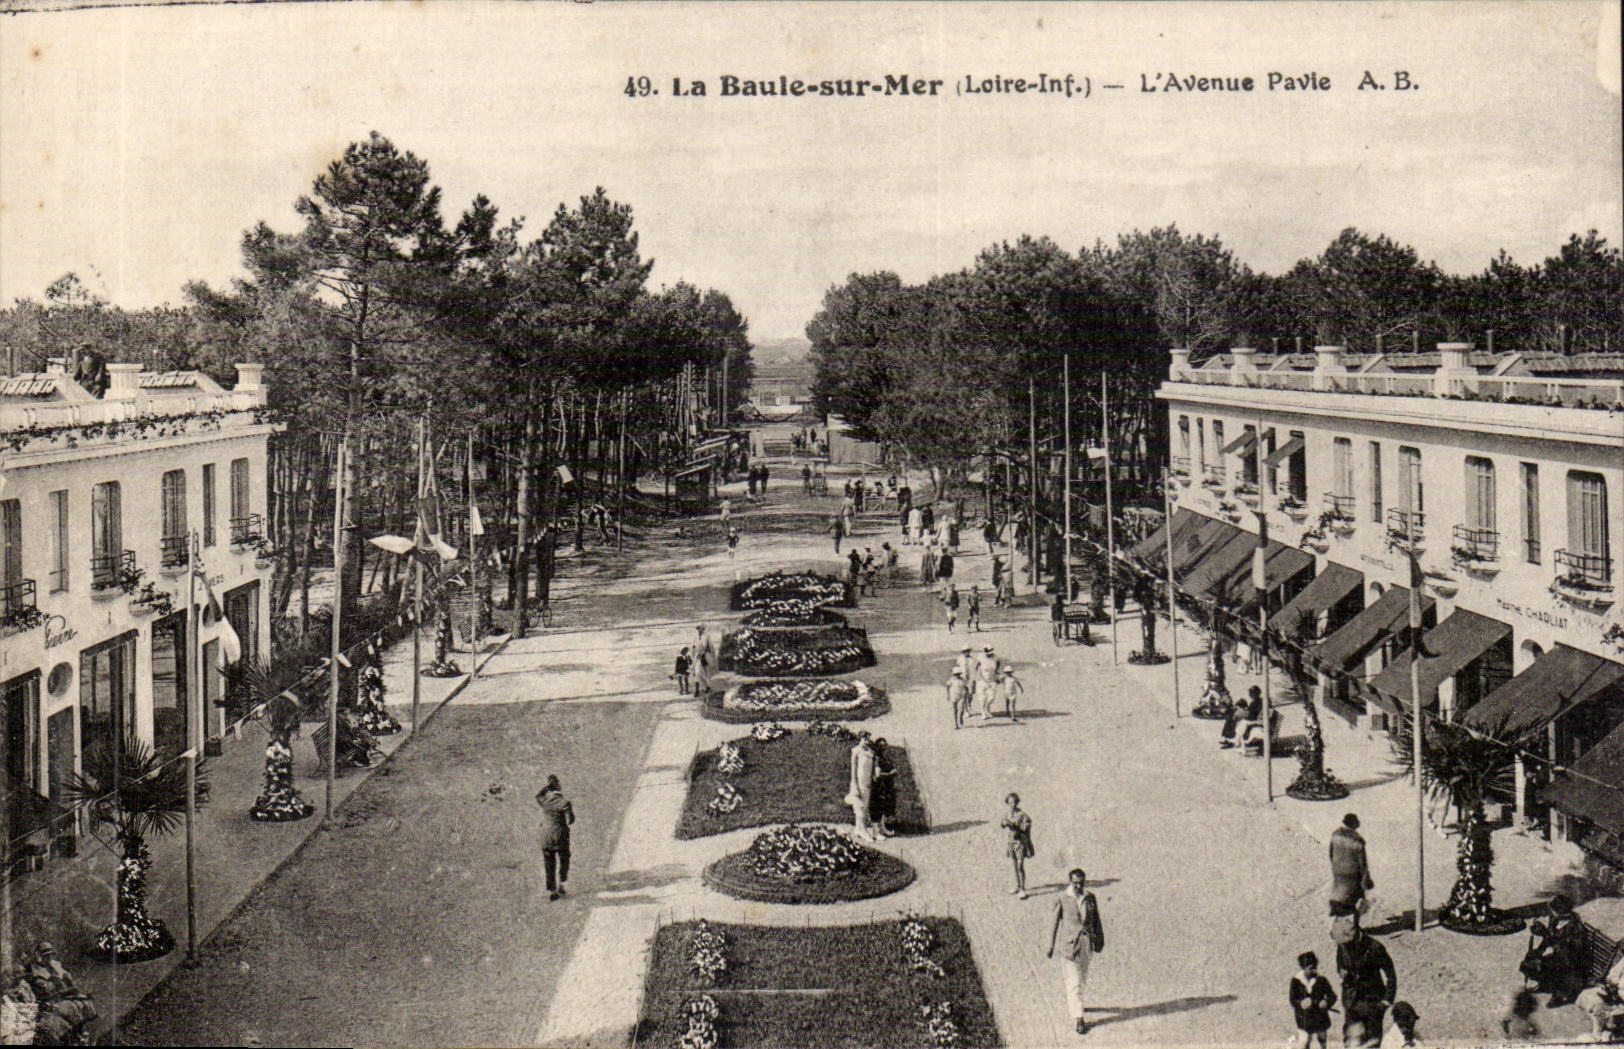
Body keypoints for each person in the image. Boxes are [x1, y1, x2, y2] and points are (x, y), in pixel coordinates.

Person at [1046, 868, 1104, 1036]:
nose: (1078, 886)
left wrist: (1099, 940)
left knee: (1082, 979)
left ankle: (1078, 1004)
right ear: (1070, 882)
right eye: (1075, 883)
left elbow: (1096, 920)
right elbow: (1053, 922)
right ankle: (1079, 1019)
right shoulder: (1063, 898)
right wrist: (1050, 945)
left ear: (1084, 882)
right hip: (1069, 947)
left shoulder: (1090, 897)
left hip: (1086, 945)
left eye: (1081, 883)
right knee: (1074, 983)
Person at [1520, 894, 1589, 1005]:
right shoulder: (1555, 920)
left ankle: (1560, 995)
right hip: (1560, 956)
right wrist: (1539, 950)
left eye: (1554, 910)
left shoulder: (1576, 928)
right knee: (1532, 958)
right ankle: (1544, 984)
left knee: (1550, 964)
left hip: (1572, 962)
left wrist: (1546, 935)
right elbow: (1550, 939)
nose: (1551, 913)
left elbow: (1572, 953)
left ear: (1562, 912)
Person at [1336, 925, 1397, 1048]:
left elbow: (1391, 975)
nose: (1346, 946)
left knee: (1372, 1042)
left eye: (1349, 943)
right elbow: (1340, 964)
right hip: (1352, 1003)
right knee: (1351, 1042)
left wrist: (1386, 1000)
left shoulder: (1375, 948)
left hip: (1373, 1003)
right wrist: (1342, 973)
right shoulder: (1342, 946)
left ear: (1357, 936)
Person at [536, 774, 575, 901]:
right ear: (559, 787)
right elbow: (571, 820)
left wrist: (546, 788)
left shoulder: (545, 801)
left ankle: (552, 890)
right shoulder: (565, 803)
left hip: (546, 836)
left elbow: (538, 796)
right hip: (560, 836)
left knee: (549, 863)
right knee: (564, 860)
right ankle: (562, 884)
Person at [1330, 813, 1375, 920]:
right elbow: (1362, 863)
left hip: (1338, 871)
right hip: (1352, 873)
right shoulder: (1357, 840)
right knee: (1353, 901)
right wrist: (1365, 879)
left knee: (1340, 896)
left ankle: (1339, 923)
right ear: (1355, 825)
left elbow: (1331, 853)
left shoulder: (1335, 835)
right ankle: (1350, 928)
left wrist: (1336, 866)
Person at [1290, 950, 1338, 1049]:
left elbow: (1332, 995)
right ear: (1303, 968)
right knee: (1305, 1039)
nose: (1314, 971)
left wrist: (1326, 1002)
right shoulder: (1296, 981)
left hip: (1319, 1015)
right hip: (1303, 1016)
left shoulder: (1321, 979)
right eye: (1311, 968)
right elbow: (1292, 999)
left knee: (1322, 1037)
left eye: (1315, 968)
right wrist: (1301, 1003)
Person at [1576, 948, 1624, 1041]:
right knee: (1590, 997)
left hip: (1620, 999)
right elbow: (1612, 977)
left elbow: (1612, 979)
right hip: (1618, 997)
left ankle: (1601, 1033)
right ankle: (1600, 1033)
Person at [1001, 792, 1034, 898]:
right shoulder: (1007, 813)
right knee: (1014, 865)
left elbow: (1027, 826)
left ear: (1017, 802)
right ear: (1008, 803)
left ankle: (1022, 888)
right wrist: (1004, 823)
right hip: (1011, 842)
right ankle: (1017, 885)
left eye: (1014, 802)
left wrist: (1015, 826)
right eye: (1010, 802)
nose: (1012, 804)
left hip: (1020, 843)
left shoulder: (1022, 814)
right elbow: (1002, 823)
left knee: (1020, 865)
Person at [846, 733, 877, 840]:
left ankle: (858, 828)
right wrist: (854, 784)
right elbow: (853, 769)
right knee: (859, 805)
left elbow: (872, 768)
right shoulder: (856, 751)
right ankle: (862, 829)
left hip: (867, 782)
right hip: (859, 782)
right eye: (864, 738)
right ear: (860, 739)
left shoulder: (870, 752)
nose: (866, 741)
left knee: (865, 805)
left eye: (868, 739)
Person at [869, 738, 898, 837]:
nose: (883, 748)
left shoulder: (884, 757)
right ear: (877, 747)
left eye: (885, 746)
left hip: (886, 785)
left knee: (884, 806)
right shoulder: (877, 758)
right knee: (879, 806)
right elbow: (877, 775)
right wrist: (890, 774)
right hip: (880, 786)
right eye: (881, 746)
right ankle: (878, 829)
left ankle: (882, 827)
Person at [976, 645, 999, 719]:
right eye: (988, 653)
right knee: (982, 698)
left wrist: (996, 674)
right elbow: (977, 668)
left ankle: (987, 709)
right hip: (982, 680)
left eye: (991, 653)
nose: (990, 654)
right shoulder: (981, 657)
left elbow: (998, 664)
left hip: (992, 680)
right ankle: (983, 712)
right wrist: (980, 677)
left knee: (991, 698)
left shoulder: (995, 658)